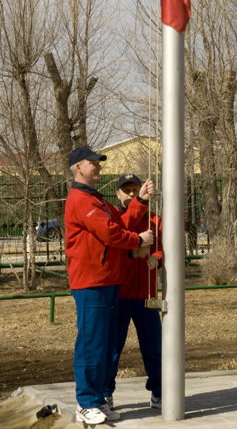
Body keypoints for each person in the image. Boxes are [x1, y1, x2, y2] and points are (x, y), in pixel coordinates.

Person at [65, 147, 154, 426]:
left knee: (104, 344)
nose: (98, 167)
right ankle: (86, 403)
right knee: (91, 342)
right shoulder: (81, 199)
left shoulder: (96, 199)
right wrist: (138, 241)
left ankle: (99, 399)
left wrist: (138, 201)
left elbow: (120, 221)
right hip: (91, 282)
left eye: (98, 163)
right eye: (93, 163)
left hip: (107, 280)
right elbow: (110, 232)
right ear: (79, 167)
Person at [104, 173, 163, 410]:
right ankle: (106, 393)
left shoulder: (155, 220)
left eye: (134, 189)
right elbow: (121, 236)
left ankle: (159, 392)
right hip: (119, 295)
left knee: (154, 347)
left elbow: (162, 249)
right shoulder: (115, 218)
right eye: (126, 190)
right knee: (113, 348)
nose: (130, 193)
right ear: (117, 194)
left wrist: (157, 259)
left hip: (146, 296)